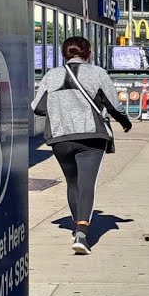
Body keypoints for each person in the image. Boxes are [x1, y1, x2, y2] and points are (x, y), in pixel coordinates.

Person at [32, 36, 132, 255]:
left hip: (60, 137)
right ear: (89, 54)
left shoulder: (51, 75)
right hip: (91, 136)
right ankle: (82, 234)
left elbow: (38, 107)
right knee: (87, 184)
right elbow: (114, 105)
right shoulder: (97, 73)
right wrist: (125, 122)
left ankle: (77, 226)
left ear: (64, 54)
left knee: (72, 182)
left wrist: (61, 107)